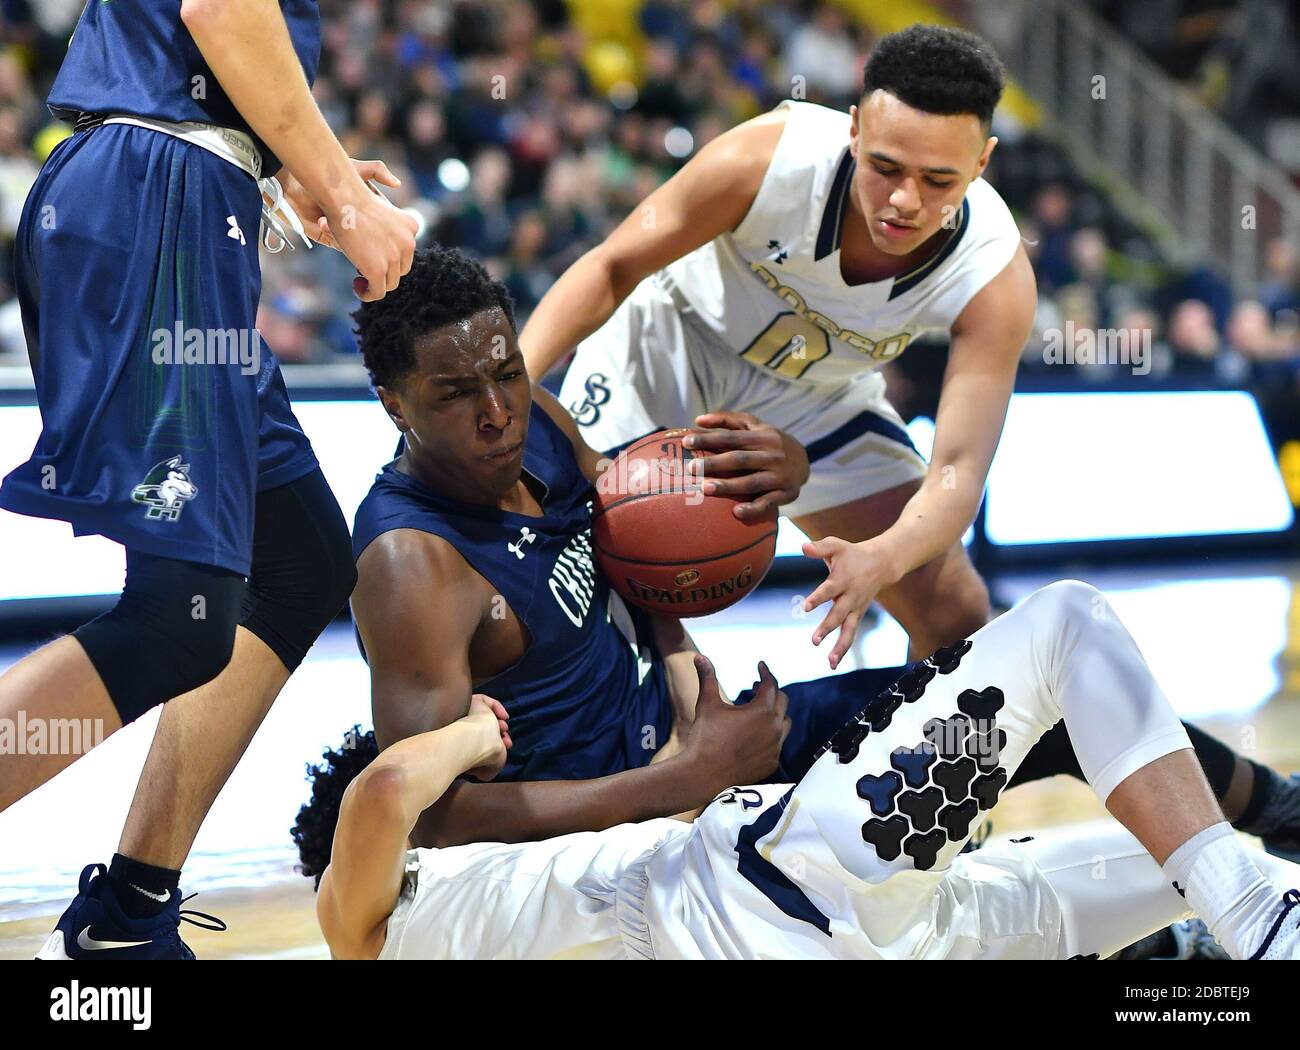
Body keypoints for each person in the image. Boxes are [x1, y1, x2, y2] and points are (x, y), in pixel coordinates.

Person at [322, 245, 1300, 868]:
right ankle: (1158, 936)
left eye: (506, 369)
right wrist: (673, 781)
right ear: (394, 404)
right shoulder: (410, 564)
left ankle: (1271, 814)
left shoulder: (533, 417)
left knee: (1026, 707)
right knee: (892, 851)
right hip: (613, 828)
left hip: (687, 745)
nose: (495, 407)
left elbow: (624, 537)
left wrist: (683, 649)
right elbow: (432, 817)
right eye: (455, 394)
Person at [2, 0, 417, 960]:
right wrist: (346, 206)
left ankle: (129, 914)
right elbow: (223, 9)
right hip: (159, 204)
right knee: (176, 613)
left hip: (188, 201)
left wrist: (297, 172)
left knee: (297, 559)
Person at [299, 581, 1300, 960]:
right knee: (1065, 628)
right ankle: (1240, 911)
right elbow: (383, 790)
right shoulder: (370, 912)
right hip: (784, 886)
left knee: (1205, 901)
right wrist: (477, 733)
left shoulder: (430, 929)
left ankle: (1221, 931)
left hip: (868, 924)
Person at [522, 24, 1035, 668]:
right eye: (885, 168)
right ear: (854, 130)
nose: (905, 201)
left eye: (939, 180)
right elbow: (611, 267)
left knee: (954, 610)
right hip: (672, 342)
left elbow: (957, 472)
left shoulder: (994, 272)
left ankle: (896, 767)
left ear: (982, 162)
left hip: (819, 396)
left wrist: (884, 556)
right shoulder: (767, 159)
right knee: (585, 591)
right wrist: (517, 381)